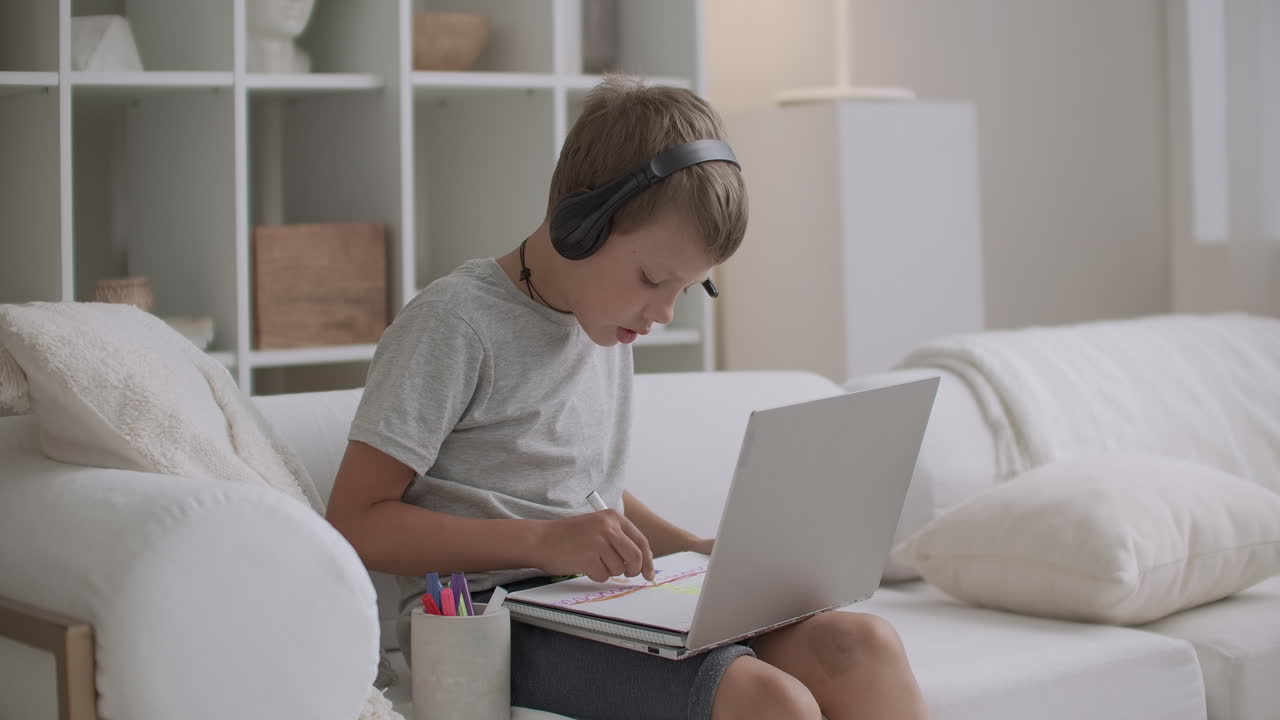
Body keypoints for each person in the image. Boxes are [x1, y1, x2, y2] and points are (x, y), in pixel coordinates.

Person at [325, 75, 929, 720]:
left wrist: (696, 550)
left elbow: (588, 494)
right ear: (580, 224)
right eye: (652, 278)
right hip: (492, 622)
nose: (663, 312)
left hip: (598, 601)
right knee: (767, 700)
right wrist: (541, 542)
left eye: (687, 289)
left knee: (861, 645)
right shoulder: (454, 325)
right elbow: (355, 522)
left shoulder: (605, 316)